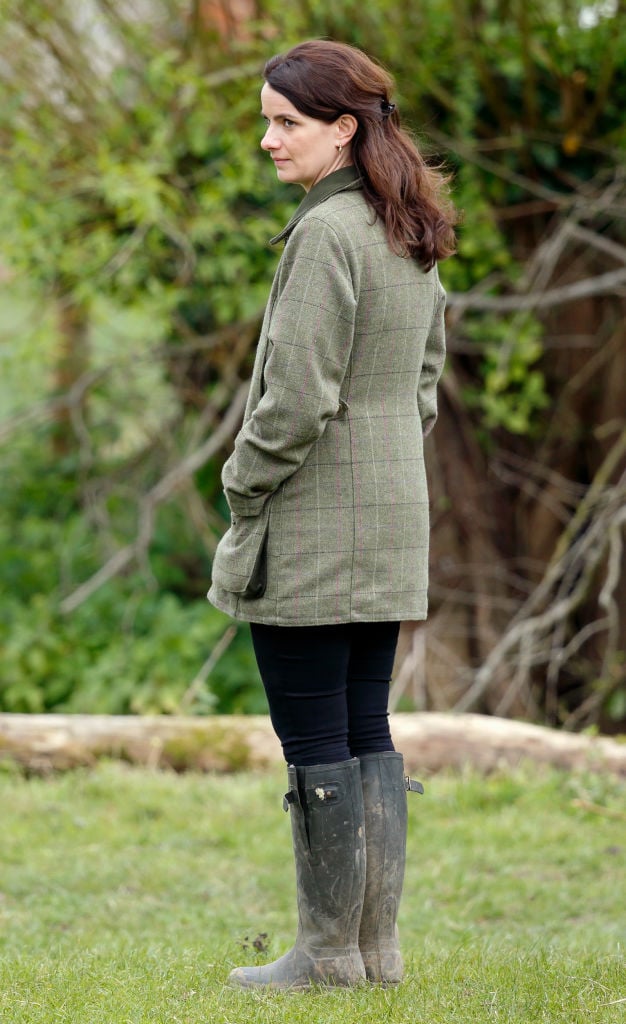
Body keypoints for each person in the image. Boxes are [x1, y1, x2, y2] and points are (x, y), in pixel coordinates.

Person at [208, 38, 456, 990]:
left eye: (287, 123)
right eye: (267, 120)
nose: (267, 140)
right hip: (393, 512)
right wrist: (387, 454)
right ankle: (371, 954)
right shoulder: (408, 226)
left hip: (313, 519)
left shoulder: (327, 234)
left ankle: (325, 957)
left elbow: (295, 399)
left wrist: (242, 481)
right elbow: (425, 381)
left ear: (344, 130)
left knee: (317, 737)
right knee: (365, 726)